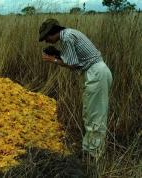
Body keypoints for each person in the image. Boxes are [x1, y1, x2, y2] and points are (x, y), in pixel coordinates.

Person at [39, 18, 113, 160]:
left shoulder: (66, 37)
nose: (46, 41)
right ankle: (88, 150)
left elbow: (72, 65)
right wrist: (58, 54)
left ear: (52, 32)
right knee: (89, 113)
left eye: (46, 37)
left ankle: (94, 155)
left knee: (95, 116)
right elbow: (75, 59)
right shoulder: (69, 34)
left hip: (96, 73)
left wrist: (53, 60)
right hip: (95, 72)